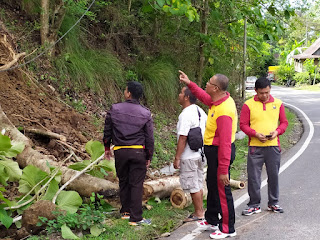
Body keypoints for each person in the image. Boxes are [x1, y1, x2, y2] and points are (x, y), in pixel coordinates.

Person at [179, 71, 237, 239]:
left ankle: (228, 228)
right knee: (212, 185)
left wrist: (224, 169)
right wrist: (190, 83)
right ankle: (212, 219)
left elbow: (225, 143)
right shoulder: (217, 101)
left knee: (222, 190)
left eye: (209, 82)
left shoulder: (224, 110)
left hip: (221, 153)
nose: (206, 83)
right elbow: (204, 97)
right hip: (212, 152)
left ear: (216, 88)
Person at [103, 81, 154, 226]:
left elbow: (107, 130)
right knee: (136, 183)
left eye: (125, 90)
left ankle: (125, 212)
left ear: (129, 93)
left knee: (124, 181)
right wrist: (149, 155)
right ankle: (136, 218)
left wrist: (107, 148)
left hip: (120, 151)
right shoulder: (145, 113)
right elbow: (149, 137)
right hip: (138, 151)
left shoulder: (115, 108)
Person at [240, 77, 288, 216]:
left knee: (273, 175)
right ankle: (254, 204)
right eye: (261, 93)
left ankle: (274, 203)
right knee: (254, 177)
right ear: (255, 91)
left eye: (267, 92)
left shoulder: (278, 104)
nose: (265, 95)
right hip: (255, 146)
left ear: (270, 89)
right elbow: (243, 125)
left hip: (273, 146)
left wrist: (277, 132)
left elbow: (284, 123)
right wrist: (255, 134)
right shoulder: (248, 105)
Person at [174, 86, 207, 222]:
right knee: (198, 182)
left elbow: (183, 137)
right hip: (201, 153)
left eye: (181, 93)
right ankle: (201, 210)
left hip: (189, 155)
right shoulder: (201, 111)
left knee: (193, 185)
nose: (179, 95)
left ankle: (198, 213)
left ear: (187, 97)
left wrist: (177, 157)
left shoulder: (186, 114)